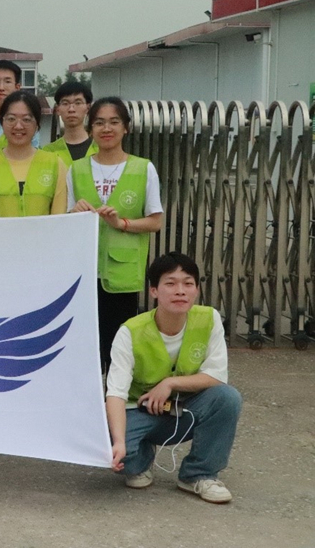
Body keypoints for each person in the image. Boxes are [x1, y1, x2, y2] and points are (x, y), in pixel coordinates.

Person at [107, 252, 241, 503]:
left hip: (186, 409)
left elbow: (216, 375)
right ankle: (140, 458)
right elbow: (115, 393)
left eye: (188, 283)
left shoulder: (209, 319)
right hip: (139, 410)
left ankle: (199, 474)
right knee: (115, 450)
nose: (180, 291)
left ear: (196, 290)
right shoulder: (130, 331)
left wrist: (170, 383)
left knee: (227, 397)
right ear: (154, 291)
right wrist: (118, 442)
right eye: (170, 283)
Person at [68, 97, 163, 371]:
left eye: (114, 122)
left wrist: (121, 223)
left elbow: (155, 221)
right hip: (85, 271)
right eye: (99, 122)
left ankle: (116, 397)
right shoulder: (76, 169)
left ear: (126, 128)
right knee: (86, 350)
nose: (106, 128)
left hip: (123, 274)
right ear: (90, 128)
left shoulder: (143, 168)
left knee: (119, 350)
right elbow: (65, 220)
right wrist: (75, 212)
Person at [0, 91, 67, 217]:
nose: (18, 126)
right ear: (2, 122)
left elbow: (60, 219)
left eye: (26, 119)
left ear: (37, 125)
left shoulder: (55, 164)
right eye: (11, 119)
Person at [42, 81, 98, 166]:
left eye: (78, 103)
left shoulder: (101, 149)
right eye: (65, 103)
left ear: (88, 108)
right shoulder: (48, 152)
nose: (71, 109)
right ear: (57, 109)